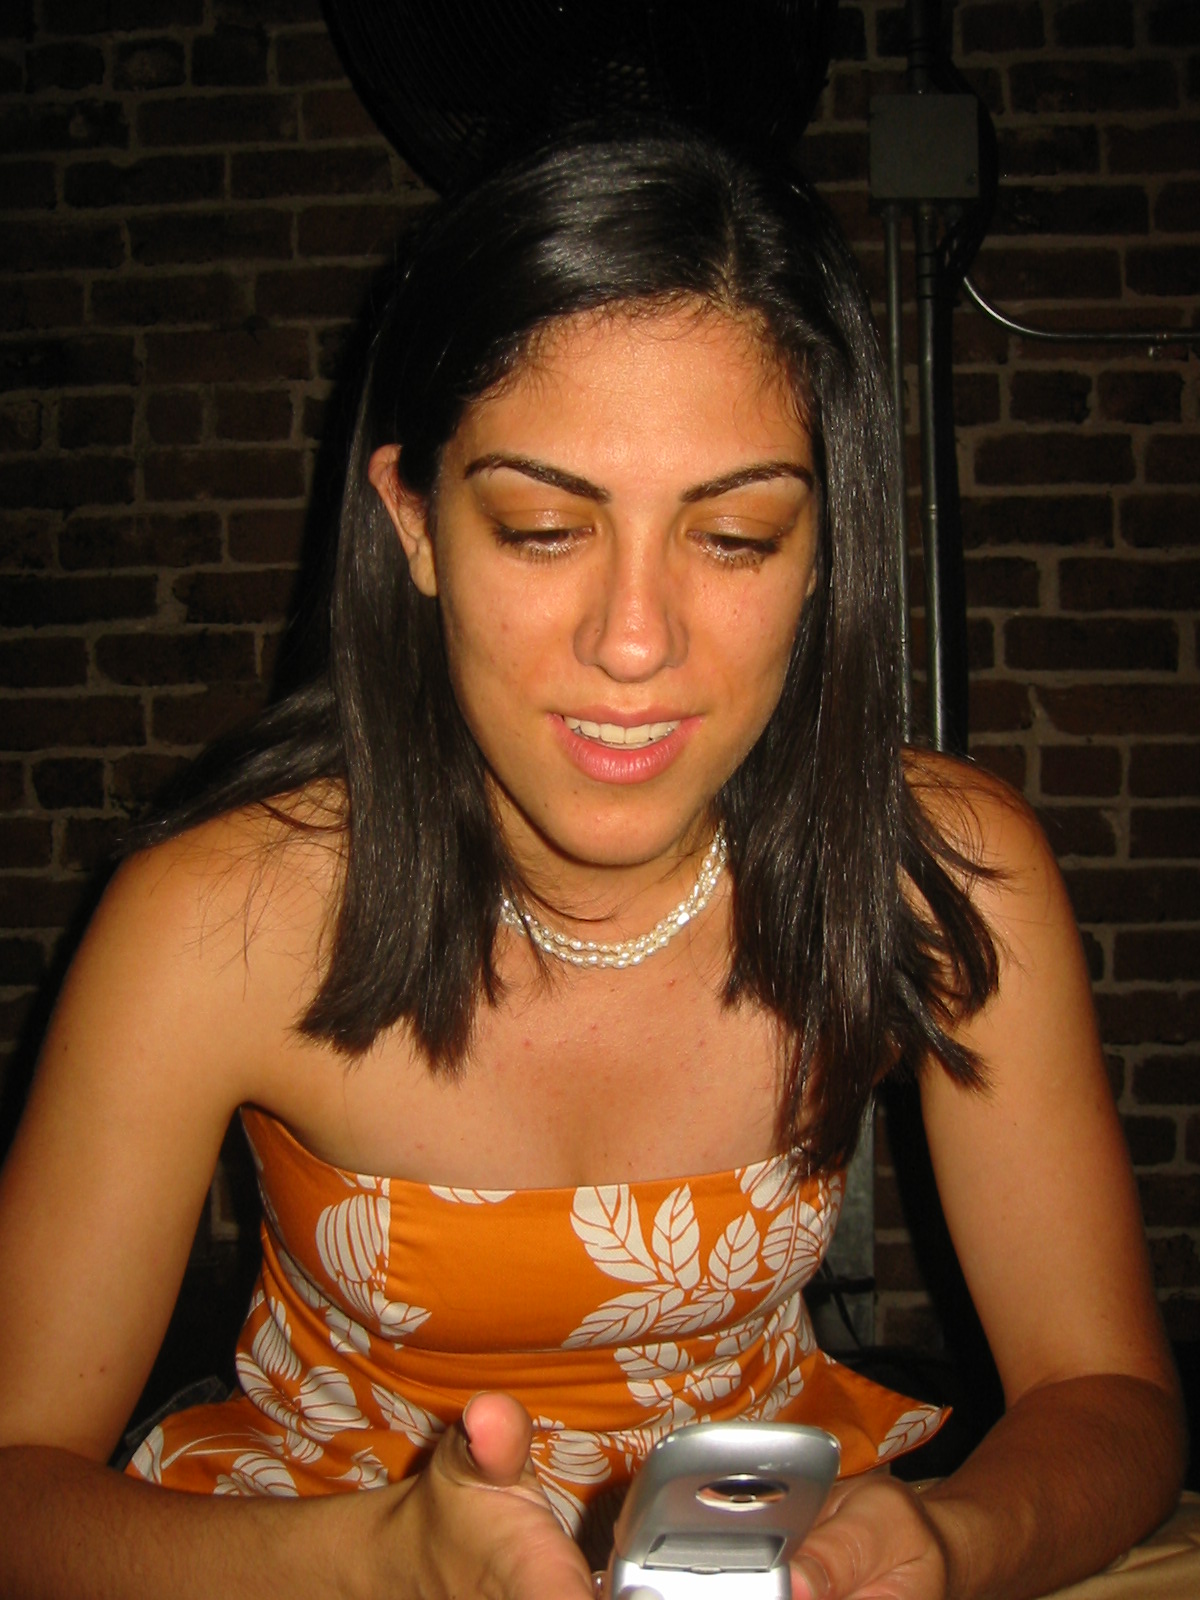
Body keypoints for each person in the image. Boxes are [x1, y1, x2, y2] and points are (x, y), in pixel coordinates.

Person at [0, 126, 1186, 1600]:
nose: (636, 642)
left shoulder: (940, 872)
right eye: (545, 527)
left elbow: (1107, 1393)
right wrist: (374, 1565)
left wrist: (951, 1540)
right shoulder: (213, 919)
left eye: (735, 536)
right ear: (415, 526)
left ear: (824, 549)